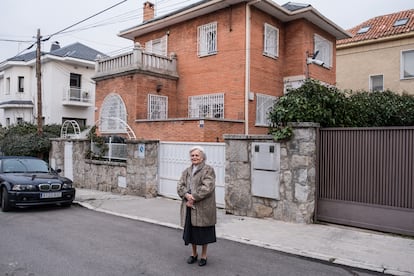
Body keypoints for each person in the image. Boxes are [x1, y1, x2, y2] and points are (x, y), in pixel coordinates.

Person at [177, 146, 217, 267]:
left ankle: (204, 255)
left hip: (203, 208)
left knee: (203, 232)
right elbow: (180, 185)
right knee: (191, 232)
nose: (194, 157)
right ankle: (194, 254)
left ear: (202, 157)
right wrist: (186, 195)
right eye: (192, 155)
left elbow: (208, 187)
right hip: (189, 206)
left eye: (197, 155)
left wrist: (193, 197)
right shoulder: (187, 171)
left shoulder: (208, 170)